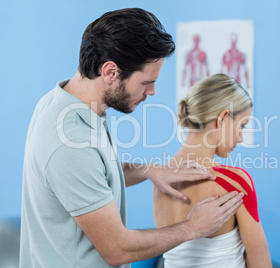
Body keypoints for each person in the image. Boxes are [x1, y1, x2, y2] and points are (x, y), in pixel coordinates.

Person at [20, 8, 244, 268]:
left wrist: (148, 170)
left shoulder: (66, 104)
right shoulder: (69, 140)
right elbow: (118, 250)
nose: (152, 91)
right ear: (111, 72)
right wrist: (193, 228)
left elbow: (91, 177)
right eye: (146, 82)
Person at [154, 73, 272, 268]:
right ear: (223, 118)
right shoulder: (235, 181)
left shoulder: (160, 180)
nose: (241, 138)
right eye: (242, 126)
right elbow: (261, 263)